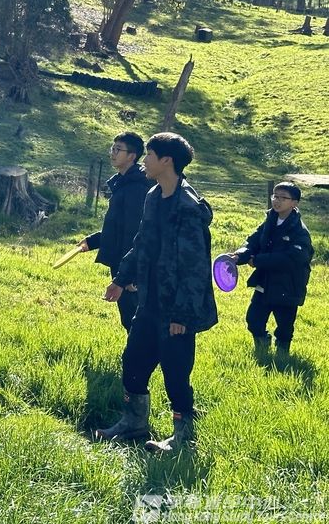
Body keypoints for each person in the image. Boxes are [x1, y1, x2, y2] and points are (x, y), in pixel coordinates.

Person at [95, 132, 217, 453]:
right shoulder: (153, 195)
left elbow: (195, 268)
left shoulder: (188, 207)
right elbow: (142, 243)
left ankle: (183, 437)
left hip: (177, 311)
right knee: (133, 362)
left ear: (167, 161)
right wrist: (121, 279)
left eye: (149, 155)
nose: (144, 161)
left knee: (175, 373)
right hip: (149, 302)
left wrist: (182, 315)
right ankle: (133, 423)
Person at [79, 131, 153, 331]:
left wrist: (129, 275)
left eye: (118, 149)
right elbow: (117, 226)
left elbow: (134, 232)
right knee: (129, 318)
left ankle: (140, 351)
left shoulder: (136, 188)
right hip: (122, 260)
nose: (112, 153)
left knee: (135, 319)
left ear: (132, 156)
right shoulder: (123, 182)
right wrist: (92, 241)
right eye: (112, 148)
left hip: (130, 264)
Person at [232, 181, 313, 360]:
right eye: (275, 196)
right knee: (253, 320)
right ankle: (262, 346)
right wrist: (240, 255)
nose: (277, 201)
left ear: (294, 203)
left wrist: (258, 261)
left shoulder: (299, 231)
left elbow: (292, 259)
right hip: (265, 282)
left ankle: (282, 355)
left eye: (283, 198)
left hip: (288, 285)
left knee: (284, 326)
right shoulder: (269, 220)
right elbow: (253, 241)